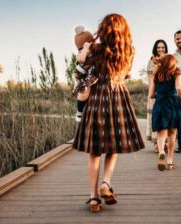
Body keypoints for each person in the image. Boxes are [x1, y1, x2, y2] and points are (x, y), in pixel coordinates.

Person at [72, 13, 145, 213]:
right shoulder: (129, 51)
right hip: (119, 96)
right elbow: (127, 73)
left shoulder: (96, 50)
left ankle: (94, 198)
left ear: (103, 30)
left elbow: (81, 67)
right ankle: (106, 183)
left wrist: (85, 48)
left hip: (98, 99)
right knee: (112, 146)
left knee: (95, 151)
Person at [150, 54, 181, 171]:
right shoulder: (176, 74)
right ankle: (170, 160)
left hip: (160, 105)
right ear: (172, 63)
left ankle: (161, 151)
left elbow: (151, 95)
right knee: (171, 134)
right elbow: (178, 88)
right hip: (173, 105)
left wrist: (160, 94)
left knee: (161, 134)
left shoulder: (156, 75)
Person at [72, 25, 98, 122]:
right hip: (85, 75)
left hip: (92, 74)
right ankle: (79, 112)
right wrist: (86, 48)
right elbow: (81, 59)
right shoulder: (81, 52)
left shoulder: (94, 49)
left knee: (87, 91)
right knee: (84, 91)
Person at [146, 39, 168, 152]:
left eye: (163, 47)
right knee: (156, 118)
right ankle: (156, 143)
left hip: (167, 93)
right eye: (158, 47)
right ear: (155, 49)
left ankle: (164, 143)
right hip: (155, 92)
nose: (160, 49)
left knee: (166, 117)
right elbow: (151, 78)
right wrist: (153, 93)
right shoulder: (151, 61)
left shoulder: (169, 59)